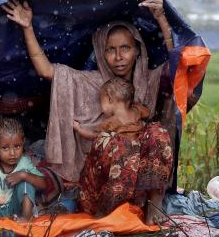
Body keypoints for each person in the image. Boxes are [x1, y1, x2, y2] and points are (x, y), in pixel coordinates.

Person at [2, 0, 175, 224]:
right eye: (110, 49)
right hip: (99, 188)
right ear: (102, 54)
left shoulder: (149, 82)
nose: (118, 57)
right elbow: (47, 71)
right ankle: (106, 214)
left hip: (137, 187)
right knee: (118, 144)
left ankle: (154, 203)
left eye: (125, 48)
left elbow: (177, 70)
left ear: (137, 50)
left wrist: (162, 19)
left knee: (157, 133)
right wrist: (27, 27)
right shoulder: (92, 81)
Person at [73, 77, 172, 219]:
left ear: (109, 99)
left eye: (101, 101)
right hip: (122, 176)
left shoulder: (110, 123)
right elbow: (147, 114)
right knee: (133, 141)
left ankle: (153, 201)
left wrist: (79, 128)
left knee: (156, 133)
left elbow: (94, 135)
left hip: (130, 172)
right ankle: (108, 208)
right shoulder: (137, 110)